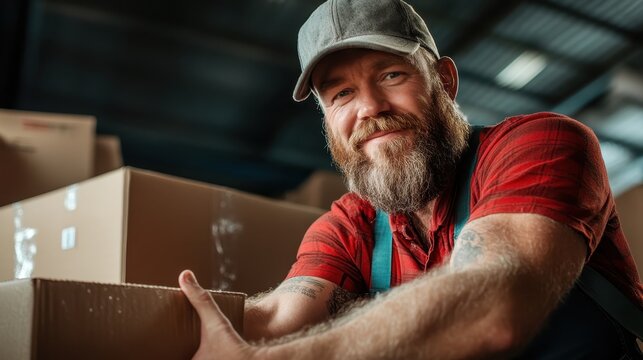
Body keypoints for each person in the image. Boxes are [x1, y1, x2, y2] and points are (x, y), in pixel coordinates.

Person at [179, 0, 643, 358]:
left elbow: (493, 304)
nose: (370, 107)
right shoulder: (351, 224)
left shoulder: (540, 145)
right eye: (342, 93)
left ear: (444, 80)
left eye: (391, 73)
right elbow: (279, 316)